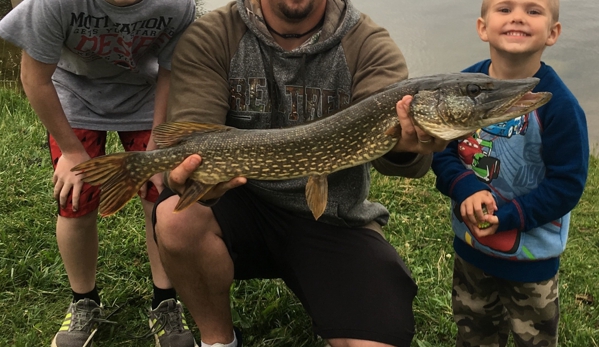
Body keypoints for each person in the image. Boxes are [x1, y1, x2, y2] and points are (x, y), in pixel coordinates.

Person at [152, 0, 451, 346]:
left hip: (331, 218)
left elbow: (396, 161)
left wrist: (405, 146)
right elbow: (195, 137)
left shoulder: (368, 44)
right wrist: (199, 179)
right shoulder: (212, 34)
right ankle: (218, 340)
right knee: (176, 219)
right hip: (242, 200)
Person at [0, 0, 197, 346]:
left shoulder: (178, 5)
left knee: (160, 197)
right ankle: (83, 301)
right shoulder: (53, 3)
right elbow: (33, 78)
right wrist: (72, 152)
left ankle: (165, 302)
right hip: (74, 97)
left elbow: (171, 73)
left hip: (145, 98)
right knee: (74, 199)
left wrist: (155, 147)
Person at [432, 0, 589, 346]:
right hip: (471, 250)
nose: (518, 16)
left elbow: (568, 183)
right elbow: (441, 151)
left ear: (553, 33)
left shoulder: (559, 105)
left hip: (531, 264)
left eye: (533, 11)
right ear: (482, 27)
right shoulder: (459, 89)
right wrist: (466, 187)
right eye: (505, 8)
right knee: (473, 333)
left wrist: (511, 216)